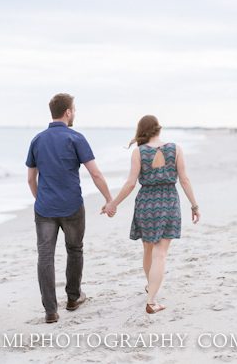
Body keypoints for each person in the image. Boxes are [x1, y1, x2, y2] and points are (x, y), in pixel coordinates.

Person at [26, 93, 113, 323]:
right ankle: (73, 298)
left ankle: (51, 311)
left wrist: (40, 199)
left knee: (45, 257)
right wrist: (109, 199)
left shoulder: (37, 140)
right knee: (75, 250)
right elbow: (95, 172)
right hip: (72, 206)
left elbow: (30, 179)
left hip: (45, 208)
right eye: (74, 109)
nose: (74, 113)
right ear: (67, 112)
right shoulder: (76, 138)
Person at [103, 115, 200, 314]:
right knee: (160, 253)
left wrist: (113, 204)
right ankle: (152, 300)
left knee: (148, 250)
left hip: (146, 202)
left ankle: (151, 287)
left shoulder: (139, 152)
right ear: (159, 129)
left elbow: (130, 183)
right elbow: (185, 180)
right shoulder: (176, 149)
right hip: (168, 201)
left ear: (142, 131)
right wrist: (194, 205)